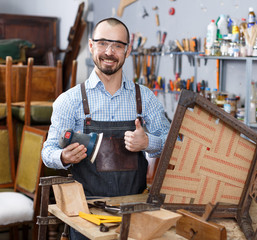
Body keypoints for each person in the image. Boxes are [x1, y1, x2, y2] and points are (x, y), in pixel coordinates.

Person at [41, 18, 170, 239]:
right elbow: (47, 151)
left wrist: (149, 142)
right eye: (102, 43)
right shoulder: (69, 100)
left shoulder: (144, 98)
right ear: (91, 46)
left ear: (127, 51)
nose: (109, 51)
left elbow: (173, 141)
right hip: (87, 213)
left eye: (118, 45)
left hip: (135, 211)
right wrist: (63, 156)